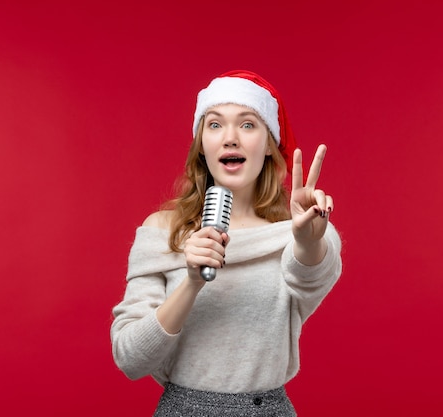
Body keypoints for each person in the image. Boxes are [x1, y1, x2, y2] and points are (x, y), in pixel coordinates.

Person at [110, 70, 343, 416]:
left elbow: (309, 276)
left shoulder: (298, 229)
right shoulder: (162, 230)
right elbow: (130, 358)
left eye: (247, 125)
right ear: (202, 144)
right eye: (215, 125)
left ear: (268, 145)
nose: (230, 138)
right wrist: (191, 282)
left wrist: (307, 241)